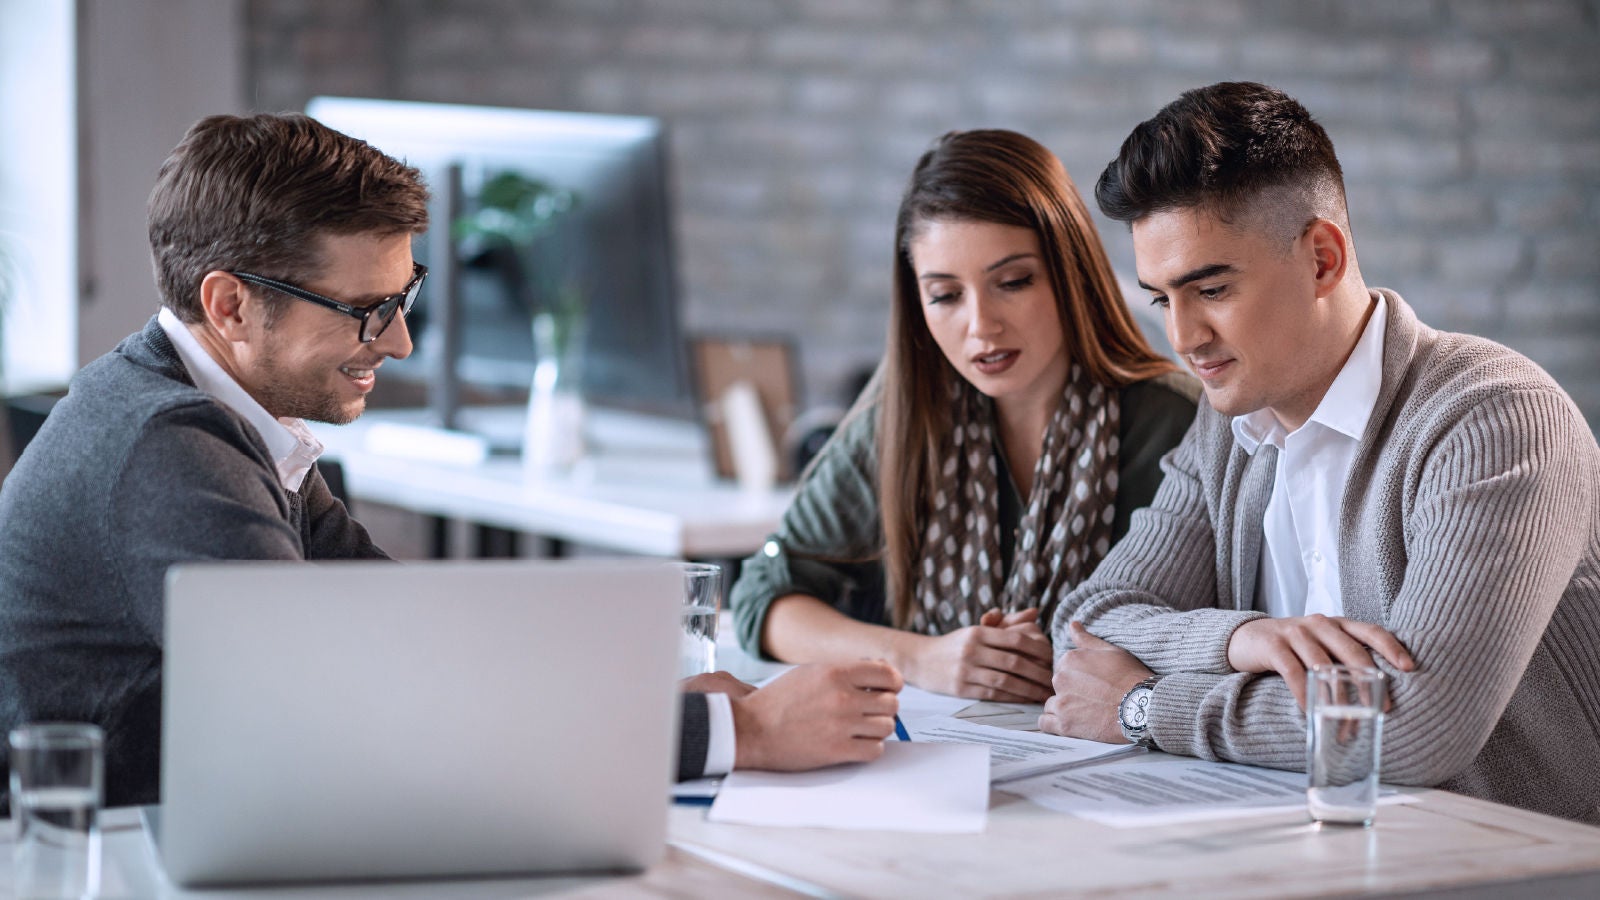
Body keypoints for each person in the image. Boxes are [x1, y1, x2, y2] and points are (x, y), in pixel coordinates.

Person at [0, 113, 896, 809]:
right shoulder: (168, 449)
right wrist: (734, 733)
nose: (396, 341)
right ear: (229, 305)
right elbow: (366, 716)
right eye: (365, 309)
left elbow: (406, 630)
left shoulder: (226, 414)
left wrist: (633, 689)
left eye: (405, 297)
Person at [1038, 82, 1600, 825]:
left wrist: (1146, 707)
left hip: (1515, 870)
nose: (1182, 338)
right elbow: (1087, 626)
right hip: (1307, 853)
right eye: (1162, 298)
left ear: (1323, 259)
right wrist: (1241, 639)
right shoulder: (1227, 427)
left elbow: (1409, 729)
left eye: (1210, 288)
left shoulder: (1494, 419)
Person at [731, 130, 1199, 703]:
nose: (981, 326)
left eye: (1013, 282)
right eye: (945, 295)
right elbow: (763, 599)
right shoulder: (908, 414)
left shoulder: (1175, 423)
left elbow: (1205, 638)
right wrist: (920, 657)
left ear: (1070, 274)